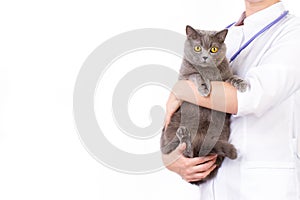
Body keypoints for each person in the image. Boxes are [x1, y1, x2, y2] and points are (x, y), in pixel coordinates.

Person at [162, 0, 300, 199]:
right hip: (214, 185)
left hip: (263, 187)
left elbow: (252, 96)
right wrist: (171, 157)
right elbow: (181, 109)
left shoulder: (293, 33)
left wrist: (183, 88)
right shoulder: (222, 37)